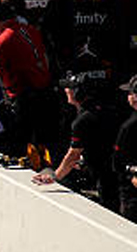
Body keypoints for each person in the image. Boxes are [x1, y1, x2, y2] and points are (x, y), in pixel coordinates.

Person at [33, 73, 120, 212]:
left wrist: (55, 176)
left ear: (77, 92)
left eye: (69, 88)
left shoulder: (82, 121)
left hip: (104, 174)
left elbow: (73, 154)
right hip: (111, 169)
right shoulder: (102, 110)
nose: (65, 90)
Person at [0, 0, 54, 158]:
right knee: (43, 143)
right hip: (46, 94)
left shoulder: (1, 43)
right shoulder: (31, 30)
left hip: (23, 99)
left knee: (21, 148)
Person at [114, 75, 137, 222]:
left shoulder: (128, 127)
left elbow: (117, 163)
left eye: (130, 93)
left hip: (132, 197)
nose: (129, 97)